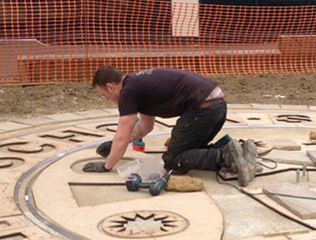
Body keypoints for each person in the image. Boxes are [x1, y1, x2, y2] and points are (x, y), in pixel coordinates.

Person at [85, 65, 257, 186]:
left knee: (174, 161)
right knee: (189, 150)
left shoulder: (128, 92)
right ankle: (239, 150)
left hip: (204, 109)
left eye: (103, 94)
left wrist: (107, 166)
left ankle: (225, 155)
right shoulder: (137, 85)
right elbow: (145, 127)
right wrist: (115, 145)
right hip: (216, 105)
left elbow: (123, 133)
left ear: (110, 87)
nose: (106, 98)